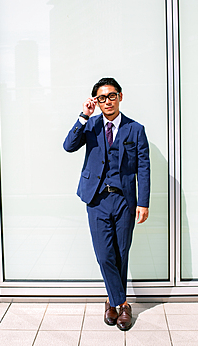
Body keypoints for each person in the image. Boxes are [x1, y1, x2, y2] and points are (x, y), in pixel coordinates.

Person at [63, 77, 150, 331]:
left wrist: (143, 202)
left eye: (111, 96)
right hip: (97, 199)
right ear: (96, 101)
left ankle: (111, 304)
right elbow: (68, 146)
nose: (107, 101)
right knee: (105, 255)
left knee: (121, 253)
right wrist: (83, 116)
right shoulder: (90, 126)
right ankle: (122, 303)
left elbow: (143, 168)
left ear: (120, 97)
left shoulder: (135, 129)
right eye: (102, 98)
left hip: (124, 200)